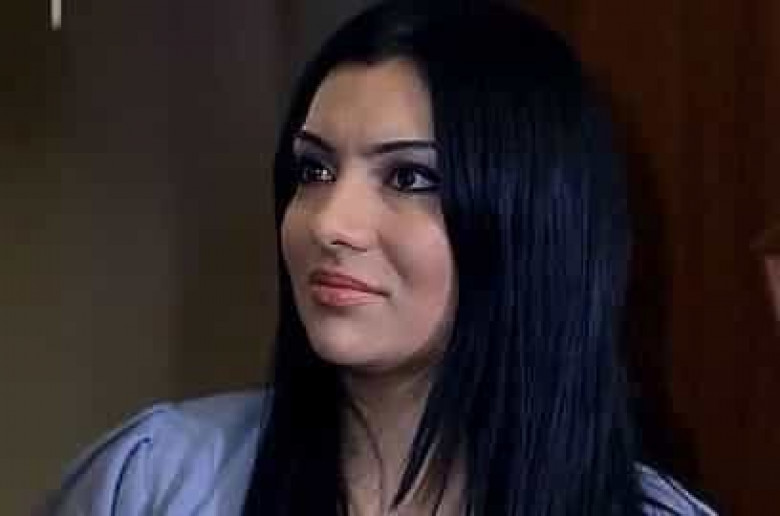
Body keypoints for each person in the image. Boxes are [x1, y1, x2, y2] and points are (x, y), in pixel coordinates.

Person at [44, 1, 718, 515]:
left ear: (531, 221)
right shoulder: (156, 480)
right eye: (313, 170)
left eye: (409, 178)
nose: (330, 223)